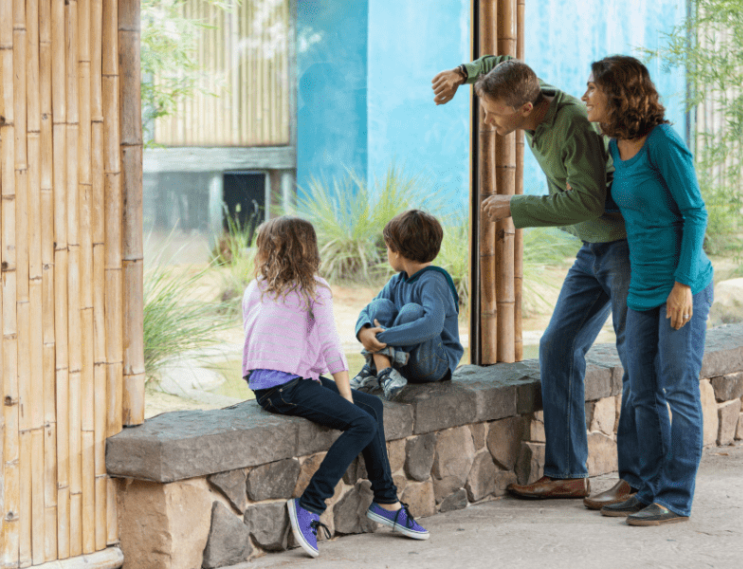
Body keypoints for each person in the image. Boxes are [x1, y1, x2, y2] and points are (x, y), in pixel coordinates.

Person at [433, 56, 634, 505]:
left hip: (622, 247)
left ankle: (637, 480)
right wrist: (462, 75)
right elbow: (501, 62)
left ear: (525, 109)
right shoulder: (527, 88)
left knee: (634, 355)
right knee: (558, 346)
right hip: (592, 248)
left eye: (492, 112)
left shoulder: (576, 127)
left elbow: (585, 202)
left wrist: (517, 207)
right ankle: (566, 473)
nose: (486, 119)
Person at [241, 216, 429, 558]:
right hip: (285, 385)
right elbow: (330, 347)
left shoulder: (256, 286)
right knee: (362, 420)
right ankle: (309, 505)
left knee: (372, 406)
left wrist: (345, 397)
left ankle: (386, 500)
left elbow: (261, 340)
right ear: (308, 249)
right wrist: (345, 399)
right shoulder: (315, 287)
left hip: (270, 383)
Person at [582, 55, 714, 526]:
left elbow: (695, 212)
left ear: (617, 93)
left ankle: (676, 497)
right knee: (641, 390)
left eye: (592, 87)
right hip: (643, 285)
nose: (585, 96)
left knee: (679, 389)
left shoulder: (663, 142)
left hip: (682, 284)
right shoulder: (617, 145)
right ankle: (649, 487)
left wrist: (683, 286)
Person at [351, 209, 463, 401]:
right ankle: (384, 373)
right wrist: (364, 331)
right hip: (406, 363)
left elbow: (432, 325)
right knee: (380, 306)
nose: (387, 253)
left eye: (387, 248)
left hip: (433, 364)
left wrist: (382, 339)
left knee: (413, 312)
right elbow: (368, 310)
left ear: (397, 251)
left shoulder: (434, 280)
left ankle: (375, 367)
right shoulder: (397, 281)